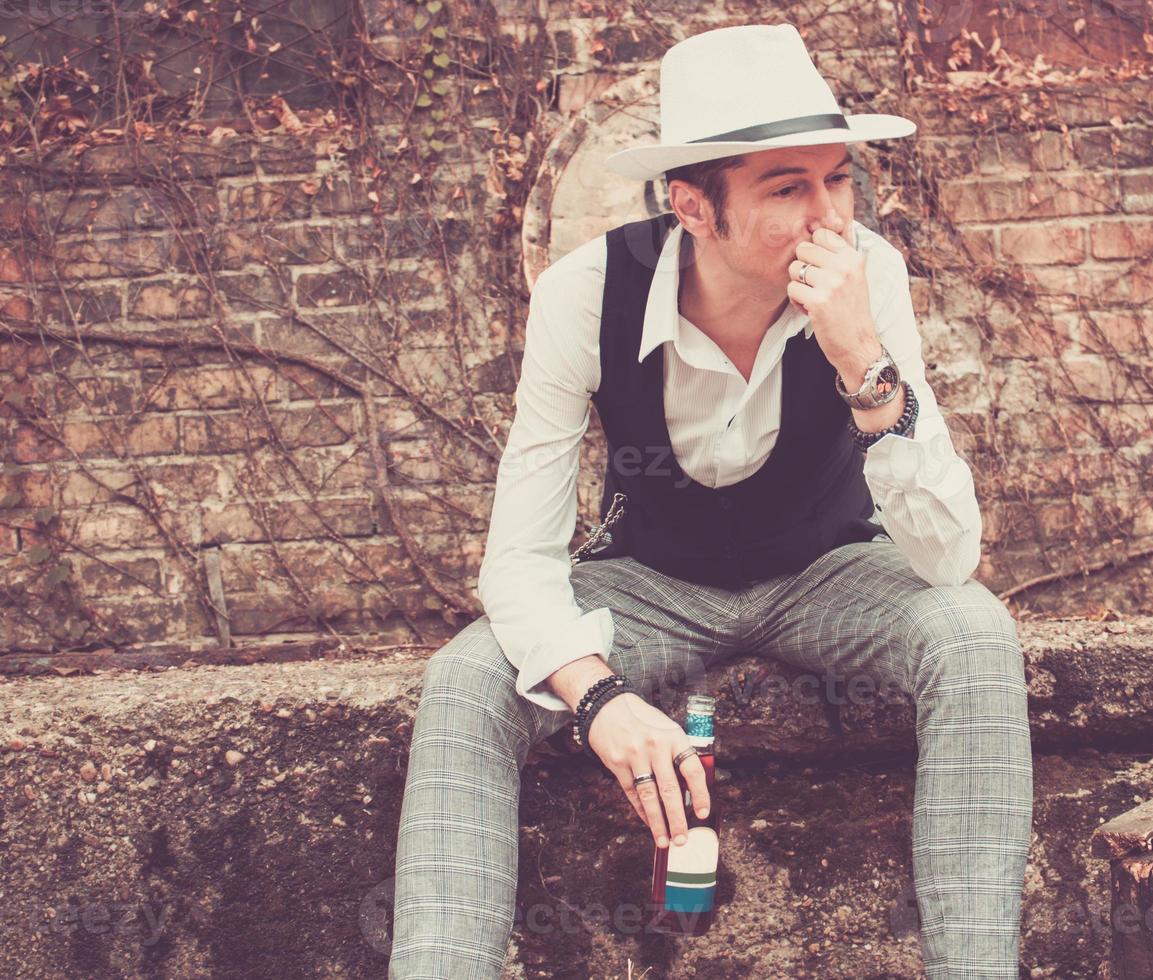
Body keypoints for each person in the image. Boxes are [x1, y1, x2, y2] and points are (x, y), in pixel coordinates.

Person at [389, 23, 1033, 979]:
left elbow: (944, 557)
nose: (831, 218)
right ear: (695, 205)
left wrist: (864, 360)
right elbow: (519, 555)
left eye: (839, 179)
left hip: (830, 572)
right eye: (788, 188)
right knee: (467, 681)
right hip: (650, 582)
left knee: (975, 636)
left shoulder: (871, 278)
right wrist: (598, 695)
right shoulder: (584, 295)